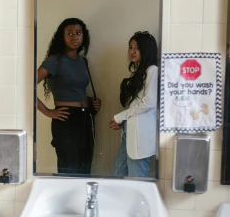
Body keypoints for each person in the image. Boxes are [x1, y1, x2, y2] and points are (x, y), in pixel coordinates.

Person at [37, 17, 101, 174]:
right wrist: (48, 111)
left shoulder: (83, 61)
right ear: (62, 37)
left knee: (85, 166)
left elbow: (76, 90)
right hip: (66, 119)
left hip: (85, 118)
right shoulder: (55, 61)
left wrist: (91, 102)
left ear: (83, 36)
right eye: (70, 33)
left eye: (78, 33)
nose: (75, 37)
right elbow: (25, 86)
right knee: (69, 168)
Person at [110, 31, 158, 178]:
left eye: (137, 47)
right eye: (130, 47)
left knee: (136, 181)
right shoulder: (139, 73)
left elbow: (149, 101)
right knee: (117, 175)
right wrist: (123, 120)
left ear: (147, 49)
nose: (132, 51)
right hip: (129, 133)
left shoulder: (153, 71)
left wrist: (120, 116)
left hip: (140, 136)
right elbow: (135, 105)